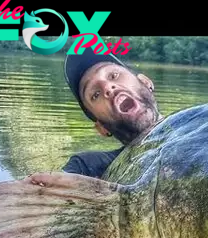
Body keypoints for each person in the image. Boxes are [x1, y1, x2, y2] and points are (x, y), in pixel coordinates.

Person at [61, 46, 164, 178]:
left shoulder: (198, 124)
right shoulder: (88, 169)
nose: (107, 87)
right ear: (102, 128)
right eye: (95, 94)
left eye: (114, 76)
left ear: (146, 82)